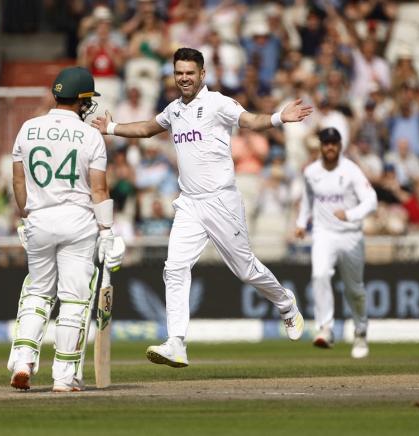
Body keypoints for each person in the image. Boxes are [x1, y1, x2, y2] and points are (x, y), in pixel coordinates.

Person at [92, 48, 310, 368]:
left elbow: (249, 120)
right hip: (190, 204)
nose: (183, 78)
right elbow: (147, 128)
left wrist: (279, 117)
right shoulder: (174, 110)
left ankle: (286, 303)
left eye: (189, 73)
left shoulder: (218, 103)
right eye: (179, 72)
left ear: (202, 74)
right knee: (174, 268)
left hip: (222, 201)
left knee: (246, 269)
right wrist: (111, 128)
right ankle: (176, 343)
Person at [7, 66, 125, 392]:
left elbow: (18, 181)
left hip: (39, 219)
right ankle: (64, 376)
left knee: (37, 293)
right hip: (77, 221)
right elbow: (99, 190)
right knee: (74, 299)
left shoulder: (28, 128)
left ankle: (23, 361)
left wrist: (25, 216)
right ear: (82, 100)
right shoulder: (89, 136)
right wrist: (107, 231)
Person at [295, 127, 378, 359]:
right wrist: (302, 222)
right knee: (320, 274)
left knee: (355, 290)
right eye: (326, 143)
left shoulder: (351, 170)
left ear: (340, 145)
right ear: (320, 146)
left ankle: (360, 332)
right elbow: (307, 198)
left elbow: (371, 201)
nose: (330, 147)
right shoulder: (311, 172)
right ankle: (326, 328)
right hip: (324, 234)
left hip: (351, 235)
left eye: (334, 143)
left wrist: (350, 215)